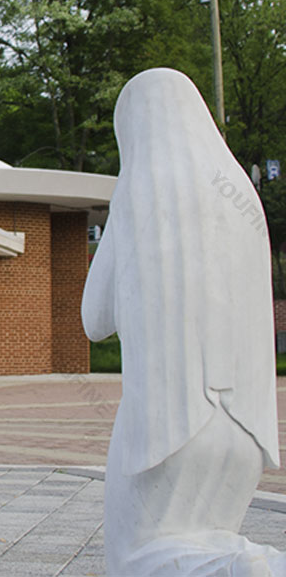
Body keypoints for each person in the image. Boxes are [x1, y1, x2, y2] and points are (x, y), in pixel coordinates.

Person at [82, 68, 283, 576]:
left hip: (165, 425)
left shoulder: (142, 187)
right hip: (244, 430)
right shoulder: (244, 199)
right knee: (212, 541)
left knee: (138, 558)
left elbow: (93, 319)